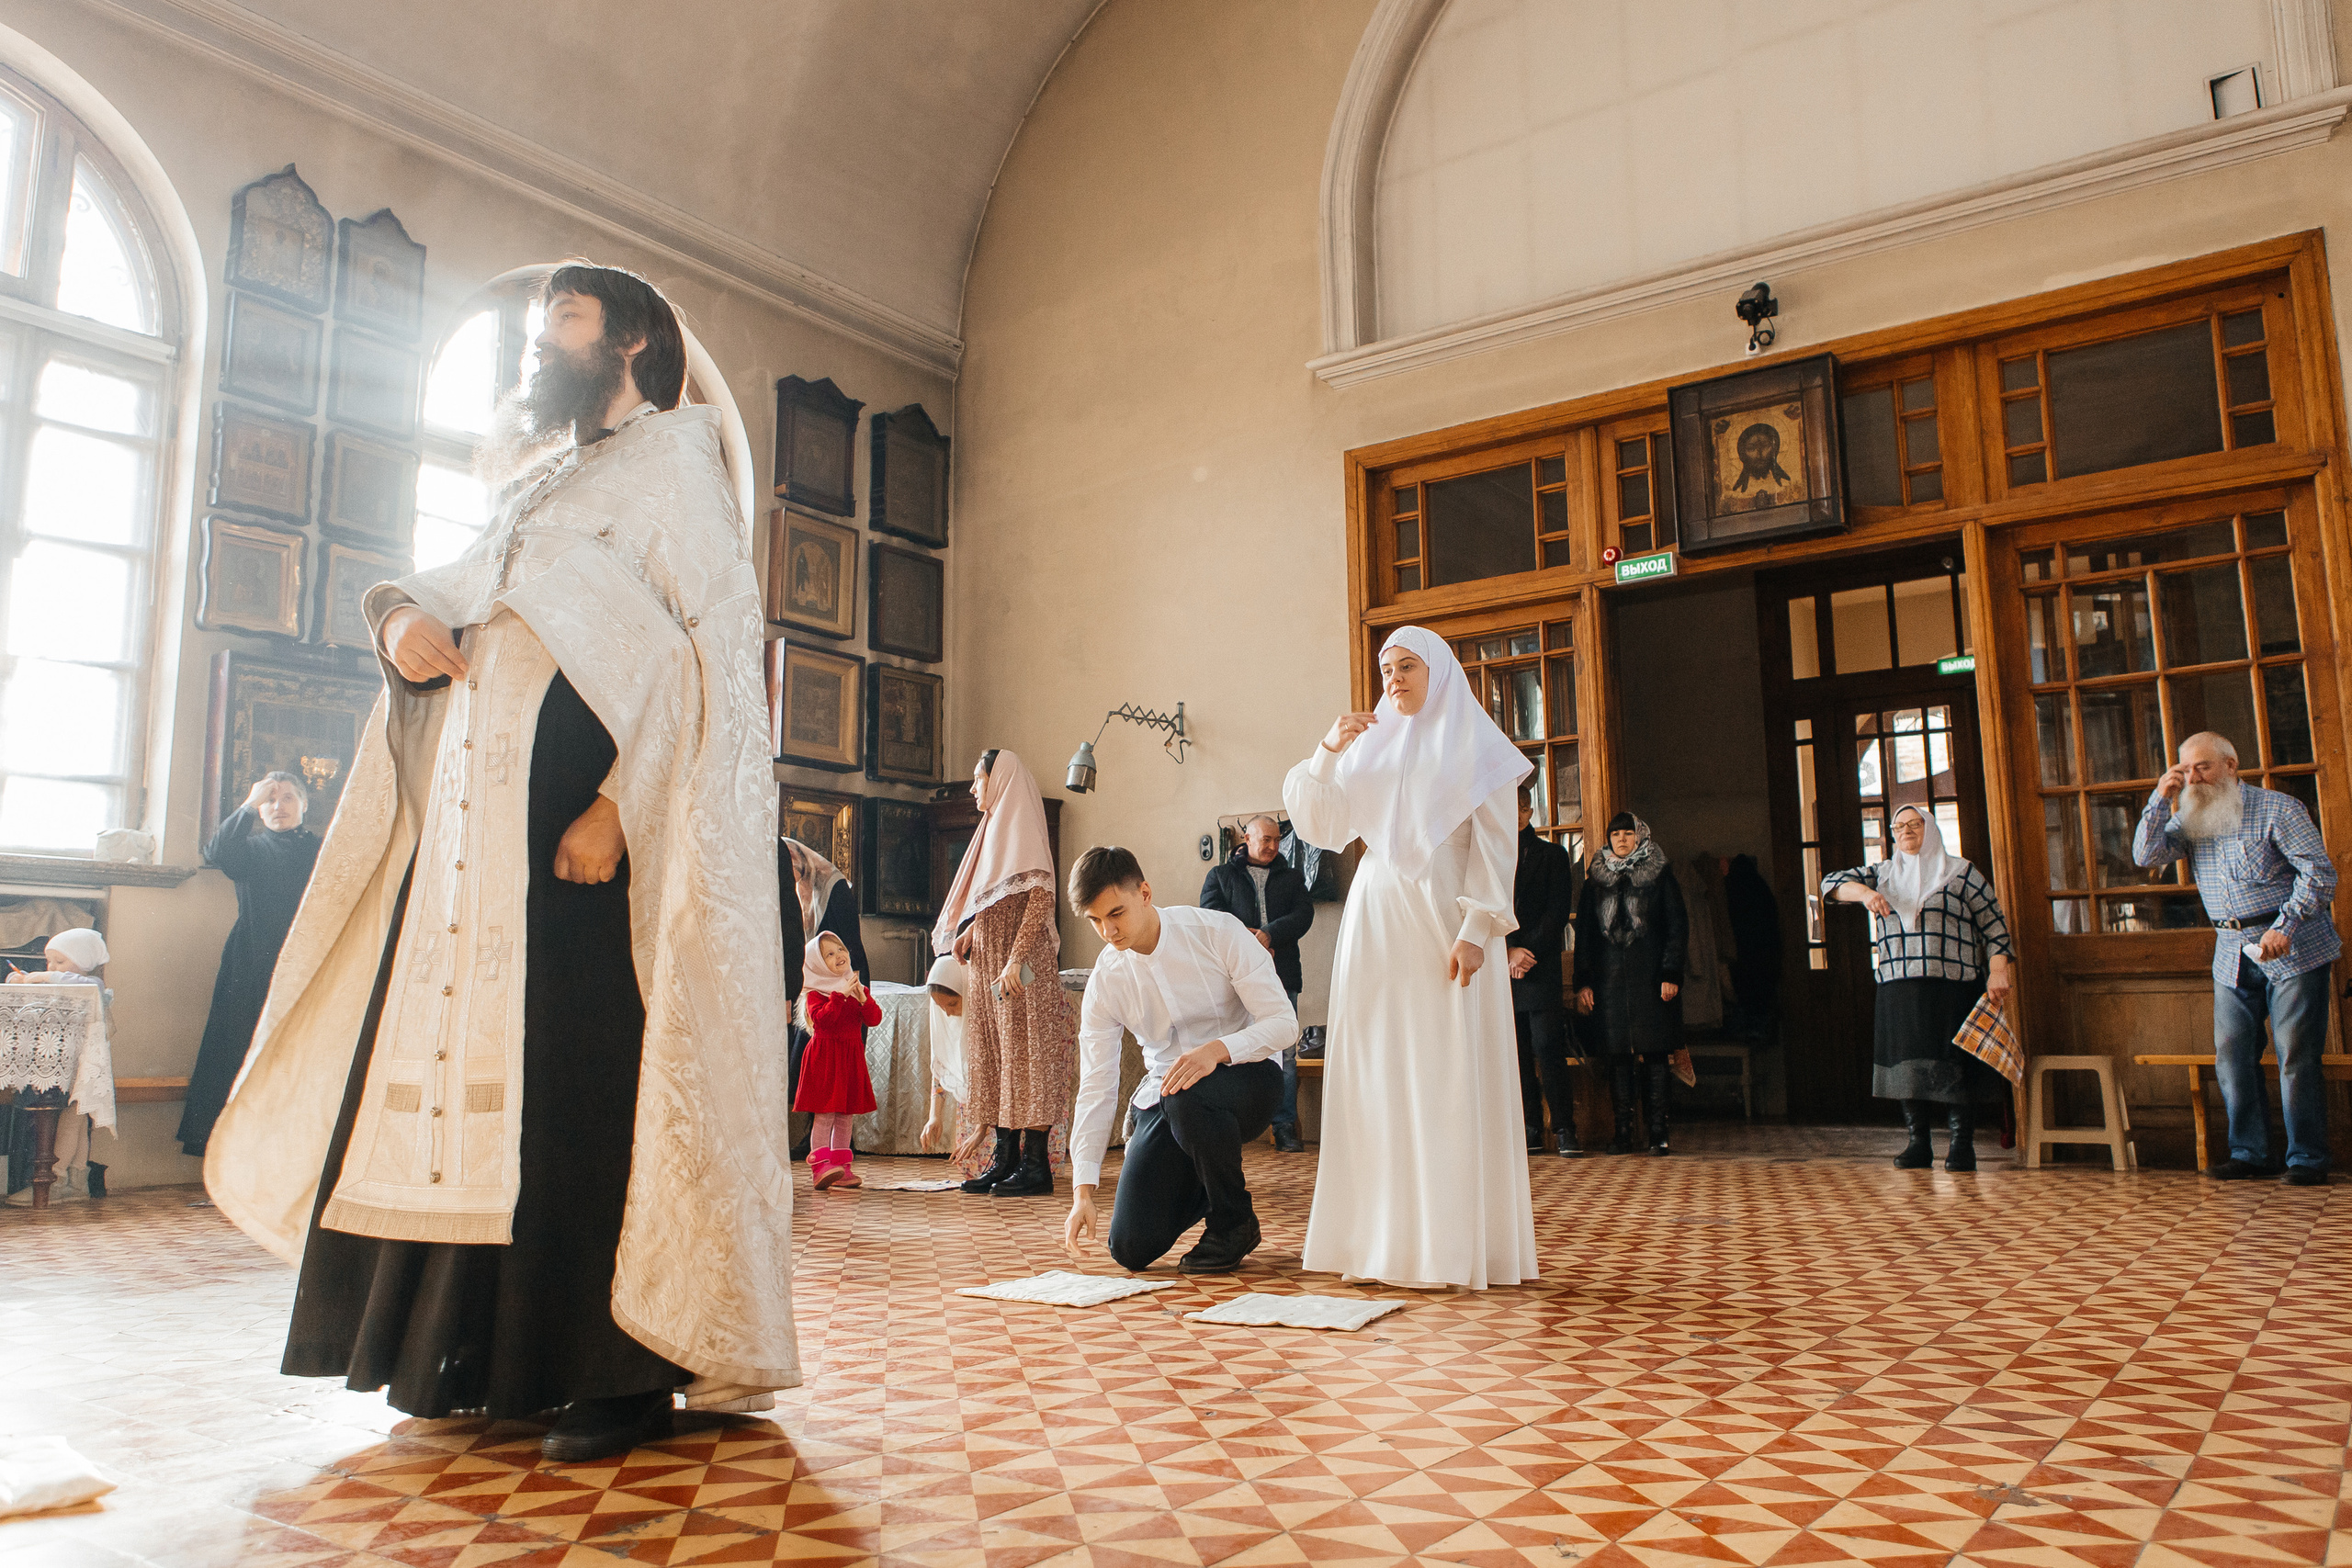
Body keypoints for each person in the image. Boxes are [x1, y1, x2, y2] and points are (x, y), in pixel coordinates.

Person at [203, 265, 797, 1463]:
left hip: (590, 842)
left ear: (630, 339)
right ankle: (475, 1351)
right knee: (487, 1076)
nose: (540, 342)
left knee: (583, 1083)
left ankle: (620, 1372)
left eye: (563, 320)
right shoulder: (543, 479)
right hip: (477, 848)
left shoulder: (679, 470)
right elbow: (454, 586)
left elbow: (713, 663)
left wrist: (619, 808)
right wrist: (399, 622)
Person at [1283, 625, 1538, 1291]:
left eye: (1406, 667)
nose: (1393, 679)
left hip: (1445, 920)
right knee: (1377, 1068)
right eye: (1386, 669)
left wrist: (1476, 931)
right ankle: (1379, 1244)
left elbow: (1495, 847)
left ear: (1438, 671)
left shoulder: (1480, 745)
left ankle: (1447, 1249)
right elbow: (1322, 825)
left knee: (1442, 1071)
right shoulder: (1371, 748)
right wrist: (1327, 751)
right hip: (1377, 917)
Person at [1064, 847, 1295, 1273]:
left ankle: (1234, 1222)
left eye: (1116, 913)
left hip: (1248, 1079)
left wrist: (1216, 1051)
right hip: (1168, 1096)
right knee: (1130, 1248)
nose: (1108, 931)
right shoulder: (1106, 980)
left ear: (1144, 893)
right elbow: (1096, 1083)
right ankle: (1205, 1175)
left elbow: (1284, 1024)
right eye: (1095, 920)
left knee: (1187, 1096)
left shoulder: (1217, 932)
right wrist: (1083, 1190)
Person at [2134, 732, 2337, 1185]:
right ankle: (2251, 1154)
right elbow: (2146, 855)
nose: (2193, 777)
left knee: (2295, 1056)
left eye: (2202, 766)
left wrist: (2285, 926)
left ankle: (2307, 1159)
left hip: (2294, 947)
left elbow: (2319, 874)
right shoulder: (2189, 816)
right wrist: (2160, 797)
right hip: (2230, 952)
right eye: (2185, 769)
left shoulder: (2279, 809)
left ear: (2231, 764)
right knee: (2231, 1055)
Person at [1825, 806, 2013, 1171]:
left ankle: (1962, 1145)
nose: (1906, 831)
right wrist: (1864, 894)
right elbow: (1830, 884)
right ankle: (1918, 1143)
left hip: (1953, 987)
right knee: (1907, 1069)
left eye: (1914, 824)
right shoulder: (1883, 874)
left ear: (1930, 828)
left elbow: (1995, 927)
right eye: (1899, 826)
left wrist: (1997, 970)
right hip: (1899, 988)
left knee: (1955, 1066)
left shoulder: (1962, 873)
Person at [934, 749, 1069, 1198]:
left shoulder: (1023, 822)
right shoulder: (990, 828)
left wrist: (1015, 958)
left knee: (1028, 1057)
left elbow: (1040, 897)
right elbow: (997, 897)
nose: (974, 787)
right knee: (995, 1055)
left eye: (979, 778)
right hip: (989, 960)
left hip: (1022, 965)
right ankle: (1005, 1158)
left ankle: (1035, 1166)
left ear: (1002, 779)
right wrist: (973, 929)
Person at [177, 774, 323, 1156]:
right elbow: (217, 851)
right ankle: (234, 1156)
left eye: (288, 798)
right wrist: (247, 803)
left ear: (304, 804)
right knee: (239, 1047)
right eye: (269, 800)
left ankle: (294, 1155)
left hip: (308, 960)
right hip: (251, 958)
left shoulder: (324, 849)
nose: (278, 806)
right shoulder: (250, 850)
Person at [1199, 813, 1314, 1151]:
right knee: (1232, 1047)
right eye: (1266, 839)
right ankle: (1232, 1125)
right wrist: (1249, 942)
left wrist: (1270, 934)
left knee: (1285, 1053)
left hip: (1282, 974)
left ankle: (1284, 1127)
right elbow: (1210, 918)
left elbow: (1303, 914)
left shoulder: (1292, 877)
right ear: (1247, 839)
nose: (1273, 846)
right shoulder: (1220, 876)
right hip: (1234, 978)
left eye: (1277, 840)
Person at [1576, 814, 1688, 1156]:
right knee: (1617, 1057)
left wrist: (1670, 974)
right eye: (1616, 834)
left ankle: (1658, 1132)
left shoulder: (1660, 874)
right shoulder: (1596, 879)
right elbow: (1585, 935)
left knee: (1656, 1054)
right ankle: (1623, 1132)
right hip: (1609, 981)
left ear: (1639, 837)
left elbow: (1676, 927)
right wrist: (1584, 982)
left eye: (1628, 833)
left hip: (1651, 978)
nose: (1622, 839)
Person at [782, 838, 866, 1156]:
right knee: (814, 1064)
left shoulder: (834, 887)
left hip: (844, 979)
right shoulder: (806, 886)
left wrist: (849, 985)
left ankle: (836, 1144)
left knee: (839, 1068)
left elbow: (846, 943)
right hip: (818, 983)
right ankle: (815, 1138)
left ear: (799, 860)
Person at [1509, 785, 1579, 1156]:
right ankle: (1531, 1128)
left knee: (1548, 1047)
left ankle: (1565, 1128)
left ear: (1530, 810)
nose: (1516, 815)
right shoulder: (1491, 854)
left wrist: (1527, 952)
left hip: (1540, 965)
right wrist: (1508, 951)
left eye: (1521, 808)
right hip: (1503, 966)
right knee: (1516, 1053)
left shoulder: (1553, 855)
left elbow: (1557, 911)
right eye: (1509, 808)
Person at [794, 932, 879, 1190]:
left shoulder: (857, 989)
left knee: (845, 1114)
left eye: (840, 949)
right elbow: (823, 1021)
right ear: (818, 964)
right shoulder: (815, 994)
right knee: (825, 1113)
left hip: (849, 1058)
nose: (838, 956)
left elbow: (874, 1019)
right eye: (829, 955)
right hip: (826, 1058)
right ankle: (820, 1166)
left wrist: (863, 999)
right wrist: (839, 995)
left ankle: (842, 1167)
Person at [1724, 853, 1782, 1051]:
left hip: (1741, 953)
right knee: (1761, 997)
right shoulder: (1761, 889)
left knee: (1743, 995)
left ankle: (1743, 1036)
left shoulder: (1730, 889)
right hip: (1764, 953)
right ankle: (1759, 1035)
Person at [919, 954, 968, 1161]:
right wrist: (934, 1116)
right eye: (941, 1008)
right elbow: (941, 1065)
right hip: (970, 1112)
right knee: (971, 1169)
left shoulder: (986, 1019)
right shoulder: (946, 1022)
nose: (947, 1014)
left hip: (997, 1118)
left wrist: (981, 1130)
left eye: (953, 1004)